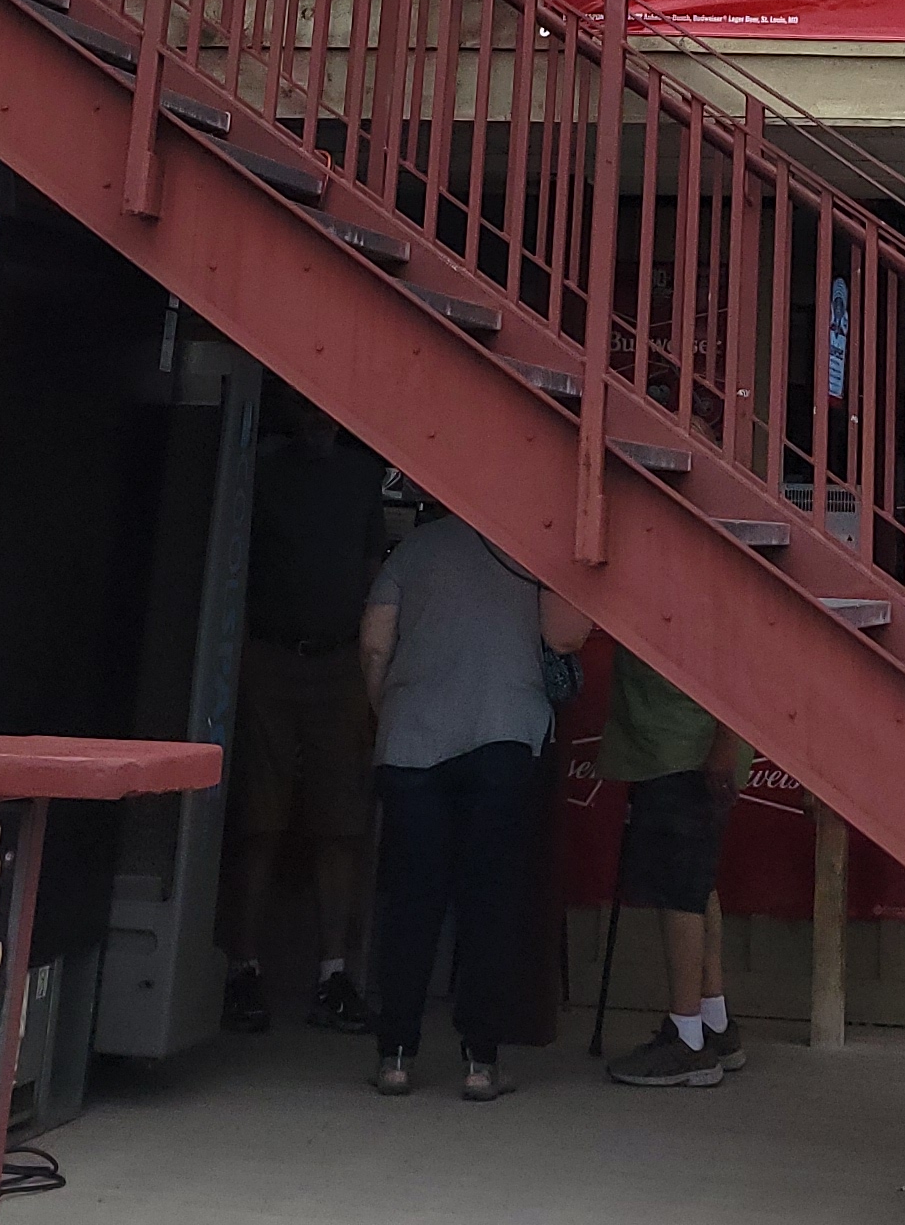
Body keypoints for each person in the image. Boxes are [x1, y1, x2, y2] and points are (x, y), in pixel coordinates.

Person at [359, 500, 590, 1103]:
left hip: (412, 743)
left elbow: (376, 644)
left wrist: (390, 711)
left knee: (409, 903)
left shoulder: (413, 551)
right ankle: (480, 1064)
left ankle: (396, 1057)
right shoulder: (532, 550)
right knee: (489, 903)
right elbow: (565, 635)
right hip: (503, 735)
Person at [220, 397, 390, 1036]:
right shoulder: (258, 467)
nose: (322, 416)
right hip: (268, 654)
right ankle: (242, 969)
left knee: (341, 822)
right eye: (310, 404)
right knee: (257, 818)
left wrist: (373, 665)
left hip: (341, 658)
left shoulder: (362, 475)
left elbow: (374, 571)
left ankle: (334, 975)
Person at [597, 646, 750, 1091]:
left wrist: (726, 738)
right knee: (697, 885)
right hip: (683, 743)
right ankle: (713, 1022)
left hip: (682, 747)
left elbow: (738, 654)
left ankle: (687, 1039)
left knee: (679, 891)